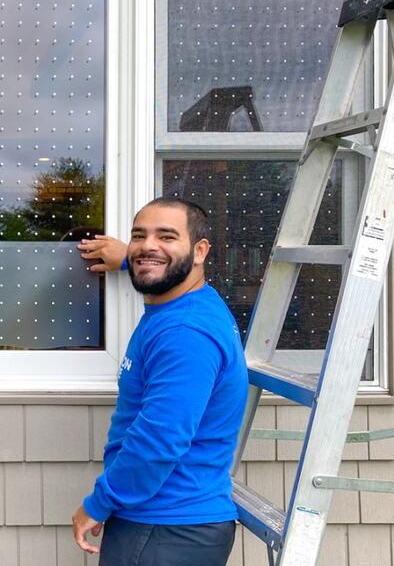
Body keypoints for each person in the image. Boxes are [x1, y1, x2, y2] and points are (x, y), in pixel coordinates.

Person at [71, 198, 247, 566]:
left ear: (200, 251)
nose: (148, 246)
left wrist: (99, 503)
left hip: (164, 529)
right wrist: (128, 258)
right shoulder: (188, 303)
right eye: (139, 237)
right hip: (169, 521)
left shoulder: (185, 333)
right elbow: (162, 268)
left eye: (167, 236)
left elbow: (159, 439)